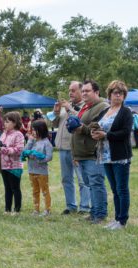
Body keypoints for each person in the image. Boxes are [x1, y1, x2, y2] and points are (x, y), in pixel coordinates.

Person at [92, 80, 133, 230]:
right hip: (105, 155)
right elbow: (98, 126)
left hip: (120, 155)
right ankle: (116, 219)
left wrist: (106, 135)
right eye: (115, 92)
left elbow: (125, 132)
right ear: (109, 94)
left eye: (121, 93)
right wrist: (95, 133)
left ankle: (122, 220)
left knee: (122, 189)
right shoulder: (105, 111)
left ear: (124, 96)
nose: (118, 95)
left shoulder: (126, 111)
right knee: (114, 189)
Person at [71, 79, 109, 224]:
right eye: (83, 91)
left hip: (94, 153)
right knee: (90, 184)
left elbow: (98, 127)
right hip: (82, 154)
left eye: (87, 91)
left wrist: (81, 128)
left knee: (96, 183)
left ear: (96, 92)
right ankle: (94, 212)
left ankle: (100, 214)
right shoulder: (85, 108)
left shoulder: (103, 107)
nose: (84, 93)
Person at [52, 81, 91, 215]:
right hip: (63, 147)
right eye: (69, 90)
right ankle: (71, 205)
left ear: (81, 91)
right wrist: (56, 113)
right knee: (66, 178)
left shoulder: (85, 107)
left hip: (77, 148)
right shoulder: (64, 107)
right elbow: (55, 123)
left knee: (82, 179)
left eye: (73, 90)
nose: (70, 93)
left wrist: (69, 108)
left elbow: (82, 120)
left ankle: (85, 206)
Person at [0, 112, 24, 215]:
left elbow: (19, 149)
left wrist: (5, 150)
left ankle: (17, 210)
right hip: (3, 166)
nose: (4, 124)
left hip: (14, 166)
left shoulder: (18, 134)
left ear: (14, 123)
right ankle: (7, 209)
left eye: (7, 122)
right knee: (7, 188)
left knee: (15, 188)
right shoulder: (3, 134)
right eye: (4, 122)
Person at [23, 120, 53, 216]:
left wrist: (39, 159)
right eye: (32, 129)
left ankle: (47, 210)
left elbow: (49, 157)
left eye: (35, 130)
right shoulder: (33, 141)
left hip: (41, 172)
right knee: (35, 191)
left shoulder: (46, 143)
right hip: (31, 170)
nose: (33, 132)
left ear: (41, 130)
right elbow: (25, 151)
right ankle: (36, 209)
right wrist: (30, 140)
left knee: (44, 191)